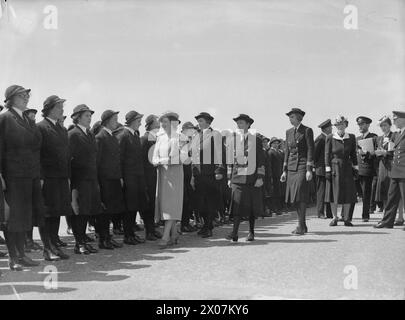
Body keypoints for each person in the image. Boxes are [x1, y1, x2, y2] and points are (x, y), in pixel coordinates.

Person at [0, 85, 44, 271]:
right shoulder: (5, 119)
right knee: (14, 218)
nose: (26, 97)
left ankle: (21, 254)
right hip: (13, 176)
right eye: (22, 95)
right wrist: (0, 175)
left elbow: (36, 149)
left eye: (27, 95)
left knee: (25, 216)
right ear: (11, 98)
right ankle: (13, 257)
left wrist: (38, 175)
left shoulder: (26, 119)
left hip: (29, 175)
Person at [37, 95, 71, 260]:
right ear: (50, 109)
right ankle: (47, 248)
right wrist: (41, 177)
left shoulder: (62, 129)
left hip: (61, 177)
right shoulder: (41, 127)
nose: (62, 110)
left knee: (57, 212)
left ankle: (54, 246)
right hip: (48, 178)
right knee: (47, 212)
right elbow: (37, 154)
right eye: (59, 107)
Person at [117, 110, 157, 244]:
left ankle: (131, 234)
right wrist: (121, 177)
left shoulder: (134, 135)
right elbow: (120, 158)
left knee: (134, 206)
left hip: (137, 177)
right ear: (132, 121)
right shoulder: (124, 135)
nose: (140, 122)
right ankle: (128, 235)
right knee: (129, 208)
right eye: (138, 119)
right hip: (129, 178)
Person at [226, 114, 265, 242]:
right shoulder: (233, 140)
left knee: (251, 207)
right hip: (237, 178)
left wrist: (260, 177)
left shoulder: (256, 140)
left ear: (248, 124)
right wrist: (229, 178)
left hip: (251, 178)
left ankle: (251, 232)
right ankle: (235, 232)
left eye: (241, 123)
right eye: (237, 123)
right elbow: (230, 161)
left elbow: (260, 160)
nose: (239, 125)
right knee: (236, 206)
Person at [69, 104, 101, 255]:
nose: (90, 118)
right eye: (86, 116)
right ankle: (79, 243)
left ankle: (83, 242)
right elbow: (69, 159)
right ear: (78, 117)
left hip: (91, 178)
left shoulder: (89, 134)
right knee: (80, 212)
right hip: (80, 179)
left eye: (90, 116)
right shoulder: (73, 134)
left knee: (87, 212)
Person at [153, 111, 187, 248]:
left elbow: (184, 158)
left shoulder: (181, 138)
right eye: (161, 122)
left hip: (175, 174)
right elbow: (154, 156)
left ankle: (165, 236)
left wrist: (164, 160)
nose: (163, 124)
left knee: (172, 205)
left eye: (165, 122)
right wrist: (157, 161)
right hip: (163, 174)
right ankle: (174, 234)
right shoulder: (160, 138)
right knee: (165, 205)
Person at [280, 108, 314, 235]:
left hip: (302, 166)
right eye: (289, 117)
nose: (290, 119)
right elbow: (287, 152)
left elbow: (311, 149)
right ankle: (303, 225)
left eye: (292, 116)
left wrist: (309, 169)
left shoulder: (307, 130)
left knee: (300, 194)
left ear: (299, 118)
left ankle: (300, 225)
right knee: (294, 198)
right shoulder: (288, 132)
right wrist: (284, 171)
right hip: (291, 167)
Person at [191, 112, 225, 238]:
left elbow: (219, 154)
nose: (199, 123)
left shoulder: (214, 135)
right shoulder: (196, 135)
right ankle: (206, 225)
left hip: (210, 174)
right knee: (200, 202)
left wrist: (219, 170)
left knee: (210, 201)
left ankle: (209, 226)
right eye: (198, 121)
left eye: (201, 121)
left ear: (208, 122)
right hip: (198, 174)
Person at [95, 110, 125, 250]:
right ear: (107, 121)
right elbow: (98, 161)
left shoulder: (112, 136)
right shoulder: (100, 137)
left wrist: (118, 177)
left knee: (111, 210)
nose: (117, 122)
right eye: (114, 119)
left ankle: (108, 237)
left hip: (113, 179)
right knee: (104, 212)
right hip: (105, 179)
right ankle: (103, 239)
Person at [325, 116, 359, 226]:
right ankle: (335, 217)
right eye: (338, 124)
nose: (340, 126)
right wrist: (328, 170)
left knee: (348, 193)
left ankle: (347, 218)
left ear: (346, 125)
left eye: (342, 124)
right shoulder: (330, 137)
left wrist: (356, 168)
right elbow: (327, 154)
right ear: (335, 126)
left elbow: (353, 154)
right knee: (333, 193)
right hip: (335, 167)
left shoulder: (352, 137)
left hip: (347, 167)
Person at [375, 111, 405, 230]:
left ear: (403, 119)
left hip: (403, 170)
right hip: (396, 170)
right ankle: (387, 221)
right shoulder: (399, 133)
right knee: (391, 197)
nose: (394, 122)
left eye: (396, 119)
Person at [353, 116, 378, 222]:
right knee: (357, 193)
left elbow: (376, 154)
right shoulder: (357, 139)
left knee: (366, 193)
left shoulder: (374, 137)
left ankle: (365, 215)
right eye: (359, 124)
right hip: (358, 168)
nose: (360, 126)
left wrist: (366, 153)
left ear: (368, 125)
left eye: (362, 124)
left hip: (368, 168)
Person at [140, 114, 161, 236]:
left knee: (153, 204)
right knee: (148, 204)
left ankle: (152, 228)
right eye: (157, 124)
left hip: (155, 177)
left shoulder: (155, 139)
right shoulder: (145, 139)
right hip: (148, 178)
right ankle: (149, 231)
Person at [180, 121, 198, 233]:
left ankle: (186, 223)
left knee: (189, 200)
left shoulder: (190, 140)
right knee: (184, 201)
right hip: (182, 174)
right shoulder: (181, 140)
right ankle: (183, 224)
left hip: (189, 174)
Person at [314, 119, 333, 219]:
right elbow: (315, 155)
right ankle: (320, 212)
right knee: (321, 192)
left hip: (328, 169)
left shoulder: (328, 138)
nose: (331, 129)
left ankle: (329, 213)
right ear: (326, 128)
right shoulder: (320, 139)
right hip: (321, 169)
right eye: (330, 127)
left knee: (329, 191)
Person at [265, 137, 284, 215]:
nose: (276, 144)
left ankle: (279, 207)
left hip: (279, 174)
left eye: (277, 143)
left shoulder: (279, 152)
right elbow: (269, 165)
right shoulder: (270, 152)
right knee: (274, 192)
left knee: (279, 192)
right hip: (274, 175)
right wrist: (271, 176)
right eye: (274, 143)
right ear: (271, 144)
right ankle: (274, 208)